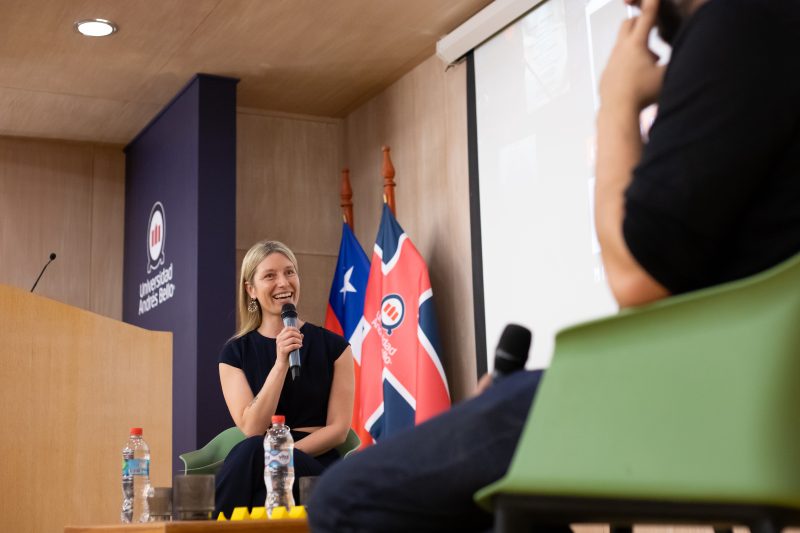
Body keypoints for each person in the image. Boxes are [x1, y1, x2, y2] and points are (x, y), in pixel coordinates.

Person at [307, 0, 800, 530]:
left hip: (708, 396)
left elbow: (636, 276)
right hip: (743, 392)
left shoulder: (737, 22)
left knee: (343, 496)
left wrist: (617, 102)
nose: (631, 3)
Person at [214, 240, 354, 517]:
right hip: (260, 460)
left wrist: (279, 456)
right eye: (270, 275)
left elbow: (339, 430)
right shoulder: (234, 354)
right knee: (259, 491)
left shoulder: (335, 347)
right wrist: (280, 364)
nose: (283, 282)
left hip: (314, 463)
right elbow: (253, 427)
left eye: (290, 272)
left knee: (253, 452)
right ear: (251, 290)